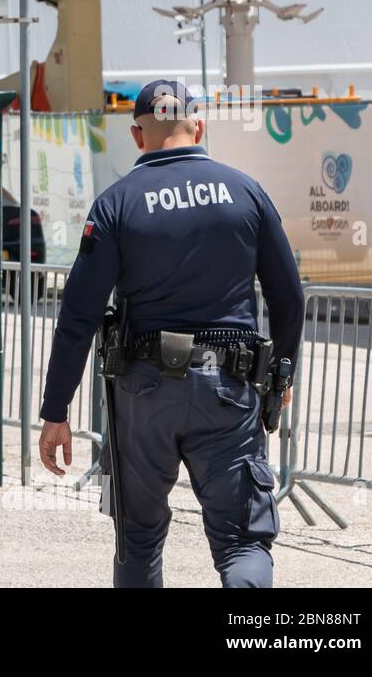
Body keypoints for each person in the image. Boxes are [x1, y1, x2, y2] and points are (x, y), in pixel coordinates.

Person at [37, 79, 304, 588]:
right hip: (229, 391)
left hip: (143, 393)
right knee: (242, 542)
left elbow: (78, 315)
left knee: (137, 539)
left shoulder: (116, 204)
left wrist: (56, 411)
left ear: (138, 136)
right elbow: (289, 296)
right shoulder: (245, 192)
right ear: (198, 126)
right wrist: (280, 376)